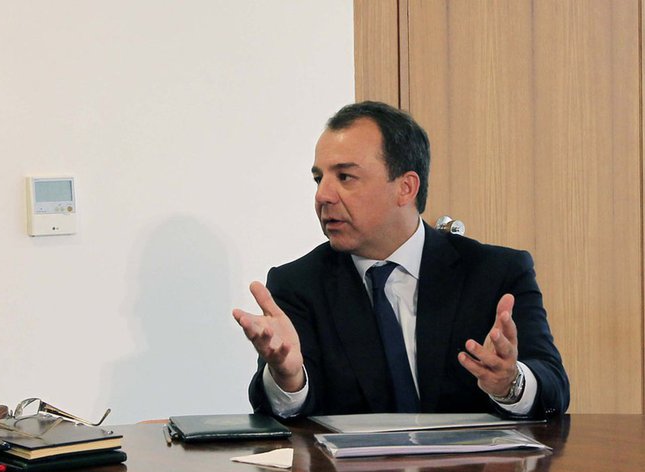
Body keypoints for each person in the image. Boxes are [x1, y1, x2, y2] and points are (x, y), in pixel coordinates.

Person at [233, 101, 569, 419]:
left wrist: (511, 383)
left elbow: (553, 387)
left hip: (470, 462)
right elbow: (280, 412)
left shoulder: (496, 272)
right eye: (319, 179)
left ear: (406, 188)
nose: (323, 195)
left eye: (345, 177)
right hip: (352, 464)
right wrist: (289, 378)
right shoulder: (298, 284)